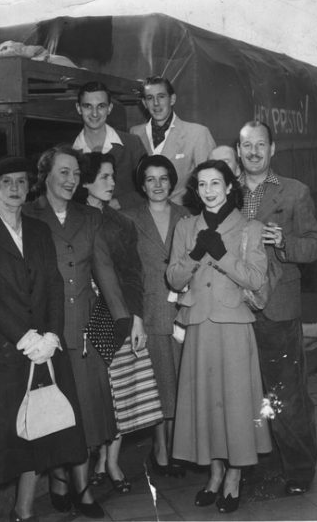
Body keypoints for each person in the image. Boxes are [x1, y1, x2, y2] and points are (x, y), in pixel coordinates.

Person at [0, 156, 87, 522]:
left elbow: (53, 284)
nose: (15, 189)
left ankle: (24, 513)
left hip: (42, 350)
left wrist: (51, 337)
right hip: (1, 351)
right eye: (7, 182)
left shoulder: (39, 231)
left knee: (39, 432)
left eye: (21, 182)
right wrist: (24, 337)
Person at [23, 145, 132, 519]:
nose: (71, 180)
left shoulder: (89, 218)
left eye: (75, 174)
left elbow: (104, 270)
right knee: (53, 411)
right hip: (46, 332)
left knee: (86, 415)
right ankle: (57, 479)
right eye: (63, 173)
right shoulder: (27, 213)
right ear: (46, 176)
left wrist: (124, 320)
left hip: (85, 332)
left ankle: (82, 489)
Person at [167, 159, 271, 514]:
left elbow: (256, 280)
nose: (209, 191)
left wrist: (223, 255)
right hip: (198, 324)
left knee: (237, 405)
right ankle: (213, 474)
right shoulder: (185, 227)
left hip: (234, 325)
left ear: (229, 187)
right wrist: (196, 253)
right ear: (196, 191)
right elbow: (173, 279)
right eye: (203, 185)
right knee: (205, 404)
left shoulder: (249, 229)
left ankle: (234, 478)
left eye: (216, 184)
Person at [236, 120, 317, 495]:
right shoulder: (225, 191)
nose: (253, 151)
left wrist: (284, 241)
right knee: (245, 394)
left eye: (260, 144)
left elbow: (314, 247)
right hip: (235, 309)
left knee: (286, 395)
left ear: (273, 149)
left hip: (278, 308)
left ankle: (300, 470)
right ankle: (253, 465)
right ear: (237, 150)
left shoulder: (295, 192)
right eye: (246, 145)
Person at [74, 152, 147, 494]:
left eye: (111, 177)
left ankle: (111, 461)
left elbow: (134, 276)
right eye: (103, 177)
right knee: (93, 391)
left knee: (119, 388)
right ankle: (91, 463)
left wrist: (136, 319)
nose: (111, 183)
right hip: (83, 313)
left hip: (117, 314)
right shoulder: (72, 218)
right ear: (85, 181)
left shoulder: (122, 223)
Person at [122, 155, 189, 477]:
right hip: (149, 313)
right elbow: (128, 273)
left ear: (172, 181)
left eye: (164, 178)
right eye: (151, 179)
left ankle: (179, 447)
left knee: (182, 382)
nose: (158, 185)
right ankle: (161, 450)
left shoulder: (187, 216)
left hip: (184, 313)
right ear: (142, 184)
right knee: (160, 385)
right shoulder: (129, 219)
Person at [130, 76, 216, 206]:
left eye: (161, 96)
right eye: (150, 98)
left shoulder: (198, 134)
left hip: (184, 217)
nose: (156, 103)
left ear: (172, 99)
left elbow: (212, 184)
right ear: (144, 103)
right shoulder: (134, 133)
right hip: (144, 217)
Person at [73, 81, 147, 210]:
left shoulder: (132, 144)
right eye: (87, 106)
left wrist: (117, 203)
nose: (94, 113)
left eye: (101, 106)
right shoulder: (70, 153)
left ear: (110, 108)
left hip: (127, 223)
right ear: (79, 108)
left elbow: (149, 186)